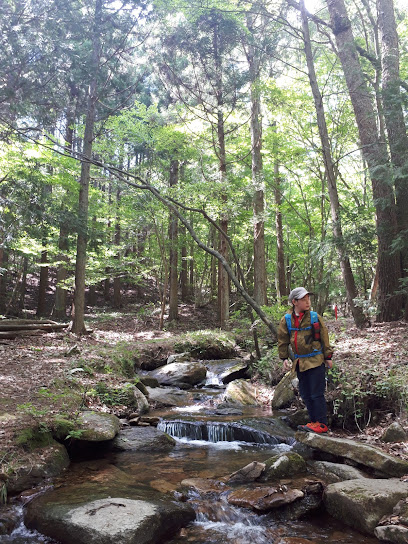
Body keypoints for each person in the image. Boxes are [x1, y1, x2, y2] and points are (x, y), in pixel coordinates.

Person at [278, 287, 334, 434]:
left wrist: (328, 357)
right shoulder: (287, 320)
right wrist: (284, 358)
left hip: (315, 360)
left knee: (317, 393)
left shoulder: (315, 317)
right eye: (303, 299)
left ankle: (322, 424)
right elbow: (282, 340)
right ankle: (314, 422)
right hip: (300, 363)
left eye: (308, 298)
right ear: (294, 302)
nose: (307, 302)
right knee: (306, 394)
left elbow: (324, 338)